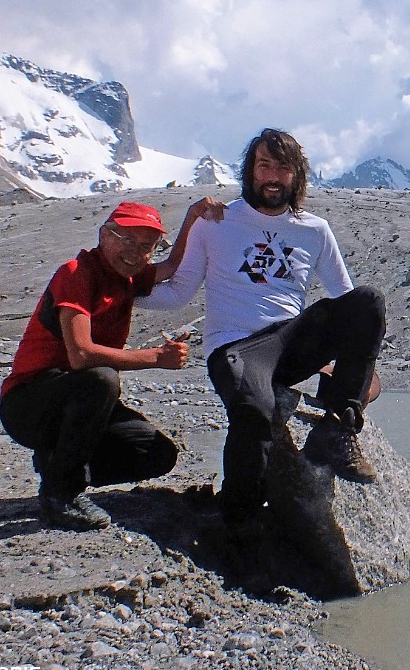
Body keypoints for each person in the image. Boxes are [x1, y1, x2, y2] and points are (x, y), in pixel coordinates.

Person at [136, 128, 386, 530]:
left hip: (290, 341)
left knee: (369, 301)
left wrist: (356, 374)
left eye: (282, 167)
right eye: (263, 165)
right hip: (237, 345)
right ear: (249, 171)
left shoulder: (314, 230)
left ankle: (338, 430)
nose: (272, 176)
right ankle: (241, 517)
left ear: (296, 175)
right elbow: (178, 292)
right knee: (254, 411)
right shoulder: (216, 222)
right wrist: (119, 294)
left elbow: (348, 302)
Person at [0, 197, 224, 531]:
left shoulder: (127, 277)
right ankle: (62, 494)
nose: (137, 253)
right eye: (128, 240)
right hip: (29, 403)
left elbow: (172, 266)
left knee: (157, 454)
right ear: (106, 235)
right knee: (102, 380)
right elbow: (82, 355)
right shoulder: (77, 274)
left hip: (77, 401)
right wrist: (155, 358)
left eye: (146, 246)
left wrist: (192, 217)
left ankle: (59, 465)